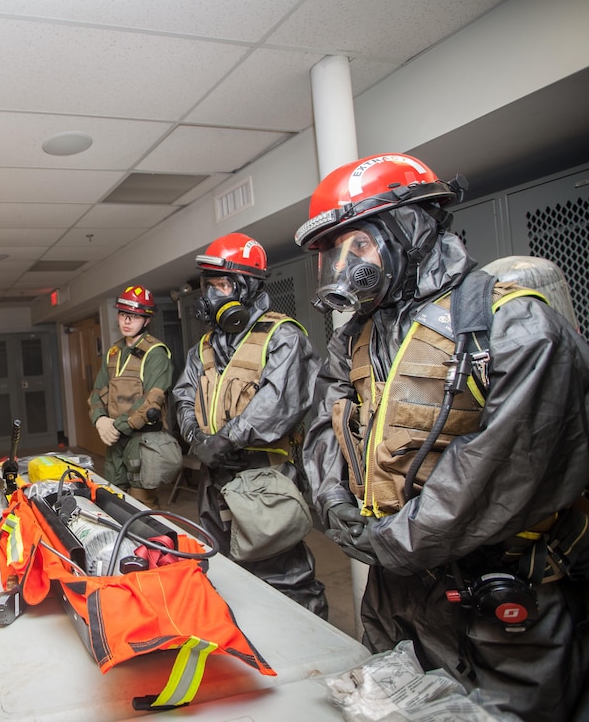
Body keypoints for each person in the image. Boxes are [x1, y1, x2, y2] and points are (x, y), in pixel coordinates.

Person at [295, 152, 589, 721]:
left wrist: (388, 542)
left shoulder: (517, 325)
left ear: (410, 226)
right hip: (395, 589)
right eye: (333, 253)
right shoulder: (356, 337)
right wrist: (334, 503)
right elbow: (323, 425)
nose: (342, 265)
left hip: (502, 596)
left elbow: (498, 474)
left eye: (356, 245)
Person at [172, 234, 329, 618]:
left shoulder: (284, 337)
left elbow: (278, 405)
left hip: (264, 477)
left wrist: (224, 440)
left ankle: (307, 651)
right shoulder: (204, 347)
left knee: (282, 574)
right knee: (224, 568)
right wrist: (195, 436)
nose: (210, 296)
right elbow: (182, 396)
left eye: (220, 285)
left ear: (247, 287)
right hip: (215, 479)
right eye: (208, 286)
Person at [88, 285, 174, 508]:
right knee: (112, 500)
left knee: (142, 505)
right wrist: (100, 420)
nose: (127, 321)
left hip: (142, 441)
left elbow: (151, 401)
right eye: (123, 314)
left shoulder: (156, 352)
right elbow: (97, 391)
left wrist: (116, 426)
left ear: (146, 321)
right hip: (115, 441)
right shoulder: (113, 352)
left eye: (135, 316)